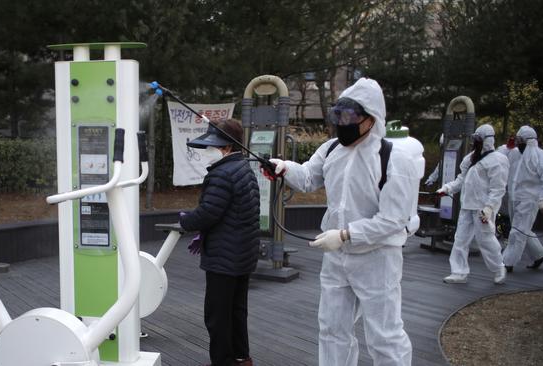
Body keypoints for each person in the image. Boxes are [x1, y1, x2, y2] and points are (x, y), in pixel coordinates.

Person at [268, 78, 415, 366]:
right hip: (337, 258)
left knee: (384, 336)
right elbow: (310, 177)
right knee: (332, 329)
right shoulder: (332, 149)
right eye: (340, 115)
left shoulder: (393, 158)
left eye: (351, 117)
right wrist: (285, 168)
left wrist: (347, 234)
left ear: (372, 118)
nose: (344, 123)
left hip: (377, 258)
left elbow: (394, 220)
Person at [179, 118, 260, 366]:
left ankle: (223, 361)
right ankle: (241, 357)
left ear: (226, 148)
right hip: (242, 254)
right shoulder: (244, 169)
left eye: (212, 147)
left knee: (217, 315)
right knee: (237, 311)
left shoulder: (222, 174)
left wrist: (184, 221)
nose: (207, 153)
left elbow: (208, 213)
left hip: (224, 257)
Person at [437, 124, 509, 284]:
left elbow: (498, 188)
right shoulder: (471, 158)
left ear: (485, 141)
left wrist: (489, 207)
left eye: (477, 139)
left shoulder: (497, 160)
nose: (474, 142)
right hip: (467, 205)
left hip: (483, 208)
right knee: (460, 239)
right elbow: (462, 179)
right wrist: (448, 188)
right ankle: (459, 272)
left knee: (486, 239)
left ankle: (499, 268)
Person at [502, 125, 543, 272]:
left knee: (518, 231)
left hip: (530, 200)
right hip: (513, 197)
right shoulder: (513, 154)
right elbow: (501, 159)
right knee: (521, 228)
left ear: (529, 141)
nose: (518, 143)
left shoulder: (542, 157)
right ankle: (540, 255)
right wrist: (507, 146)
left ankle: (507, 262)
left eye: (520, 140)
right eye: (517, 140)